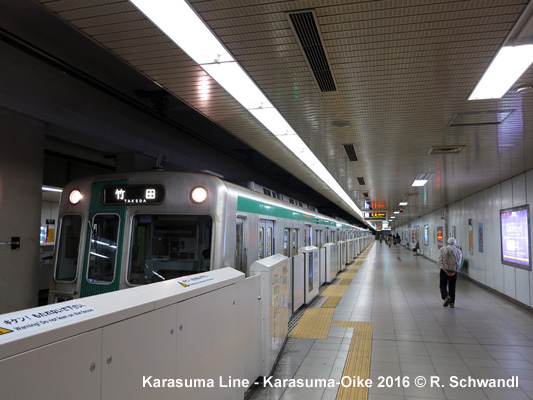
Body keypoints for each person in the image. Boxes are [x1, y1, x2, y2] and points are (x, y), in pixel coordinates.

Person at [437, 237, 462, 308]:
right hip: (453, 271)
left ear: (447, 242)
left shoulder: (442, 249)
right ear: (455, 243)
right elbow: (459, 263)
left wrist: (444, 270)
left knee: (442, 285)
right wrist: (455, 271)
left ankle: (446, 296)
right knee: (452, 286)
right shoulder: (458, 251)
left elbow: (439, 260)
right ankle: (452, 303)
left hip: (444, 270)